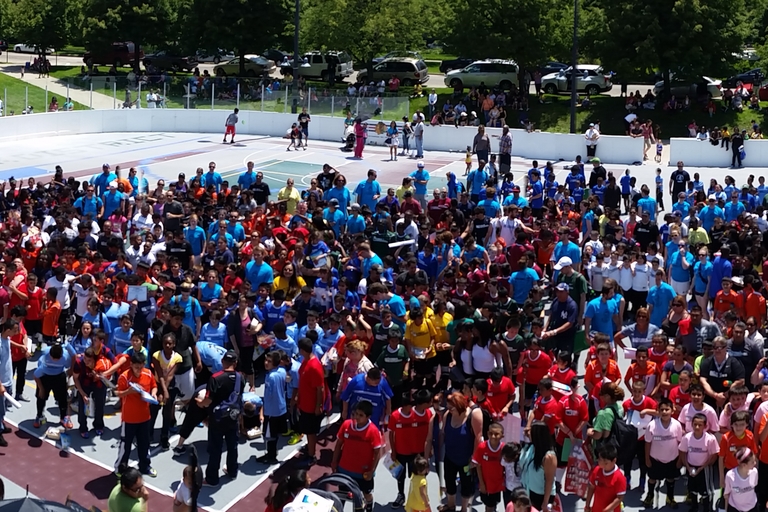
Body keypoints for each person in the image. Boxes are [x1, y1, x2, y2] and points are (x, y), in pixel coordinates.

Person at [200, 350, 244, 485]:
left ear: (222, 361)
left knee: (215, 448)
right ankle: (232, 471)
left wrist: (199, 403)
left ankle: (212, 478)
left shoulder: (215, 378)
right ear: (235, 363)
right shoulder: (240, 377)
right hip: (233, 416)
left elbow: (208, 400)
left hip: (217, 418)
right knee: (232, 446)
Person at [331, 399, 383, 512]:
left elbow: (377, 453)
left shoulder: (373, 431)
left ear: (368, 417)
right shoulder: (346, 425)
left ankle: (369, 506)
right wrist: (334, 462)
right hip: (344, 469)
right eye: (356, 414)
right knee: (342, 495)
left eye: (361, 415)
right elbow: (338, 444)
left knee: (366, 493)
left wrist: (371, 471)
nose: (357, 417)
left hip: (363, 473)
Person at [114, 352, 158, 478]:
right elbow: (117, 393)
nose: (139, 370)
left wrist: (154, 394)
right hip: (129, 419)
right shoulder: (124, 377)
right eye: (136, 367)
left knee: (144, 444)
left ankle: (145, 467)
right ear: (131, 365)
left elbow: (154, 386)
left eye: (141, 367)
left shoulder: (148, 373)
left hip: (144, 417)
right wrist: (129, 391)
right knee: (125, 445)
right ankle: (120, 468)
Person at [679, 413, 718, 512]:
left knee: (706, 491)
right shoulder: (687, 437)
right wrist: (688, 467)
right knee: (692, 489)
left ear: (705, 426)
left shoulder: (710, 439)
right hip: (691, 467)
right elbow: (682, 452)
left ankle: (706, 508)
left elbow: (714, 455)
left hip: (704, 469)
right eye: (695, 424)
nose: (697, 427)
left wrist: (703, 467)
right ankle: (694, 507)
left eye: (700, 425)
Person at [584, 444, 626, 512]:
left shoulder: (620, 478)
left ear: (614, 460)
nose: (601, 463)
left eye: (605, 462)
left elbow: (619, 498)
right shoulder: (597, 470)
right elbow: (591, 487)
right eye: (600, 459)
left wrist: (606, 510)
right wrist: (587, 505)